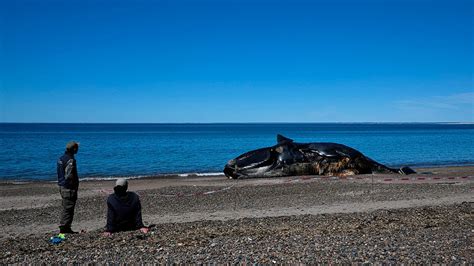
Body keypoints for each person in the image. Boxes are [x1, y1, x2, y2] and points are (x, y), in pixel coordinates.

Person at [57, 141, 80, 234]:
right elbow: (69, 175)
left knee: (66, 207)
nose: (78, 150)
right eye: (77, 148)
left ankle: (65, 227)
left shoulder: (61, 158)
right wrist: (73, 186)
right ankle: (65, 228)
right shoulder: (70, 160)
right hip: (68, 188)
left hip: (62, 185)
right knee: (68, 208)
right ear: (74, 149)